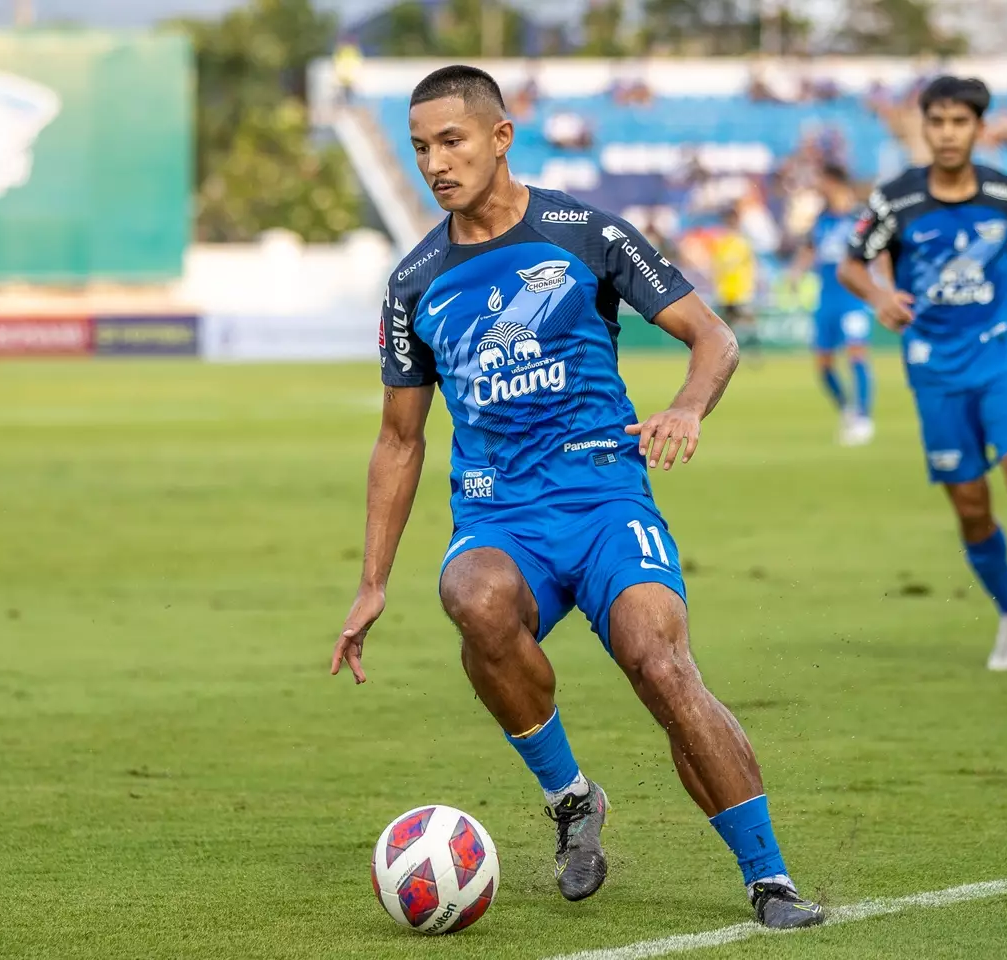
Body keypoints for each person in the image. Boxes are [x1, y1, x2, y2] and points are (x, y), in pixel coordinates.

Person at [332, 65, 824, 929]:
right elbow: (399, 440)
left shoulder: (586, 233)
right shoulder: (414, 282)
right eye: (419, 148)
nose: (435, 163)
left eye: (451, 141)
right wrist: (372, 582)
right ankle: (572, 799)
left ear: (500, 137)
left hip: (605, 505)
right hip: (500, 518)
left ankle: (770, 880)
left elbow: (713, 337)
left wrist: (686, 407)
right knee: (472, 597)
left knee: (659, 664)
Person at [837, 75, 1007, 671]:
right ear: (924, 127)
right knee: (972, 505)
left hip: (1002, 358)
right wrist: (878, 296)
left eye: (960, 122)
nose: (948, 134)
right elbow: (851, 264)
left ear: (980, 128)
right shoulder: (895, 199)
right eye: (938, 122)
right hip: (936, 373)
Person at [792, 164, 875, 445]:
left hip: (852, 298)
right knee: (824, 365)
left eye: (822, 182)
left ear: (834, 182)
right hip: (826, 298)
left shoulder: (860, 217)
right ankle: (847, 410)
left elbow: (878, 251)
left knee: (857, 354)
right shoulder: (822, 218)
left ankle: (863, 416)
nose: (819, 187)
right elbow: (809, 249)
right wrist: (796, 272)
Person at [710, 206, 763, 361]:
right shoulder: (722, 242)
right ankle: (728, 356)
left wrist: (752, 285)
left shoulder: (743, 242)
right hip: (725, 291)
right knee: (726, 326)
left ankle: (753, 353)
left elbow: (752, 265)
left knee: (747, 322)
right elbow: (717, 267)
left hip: (741, 290)